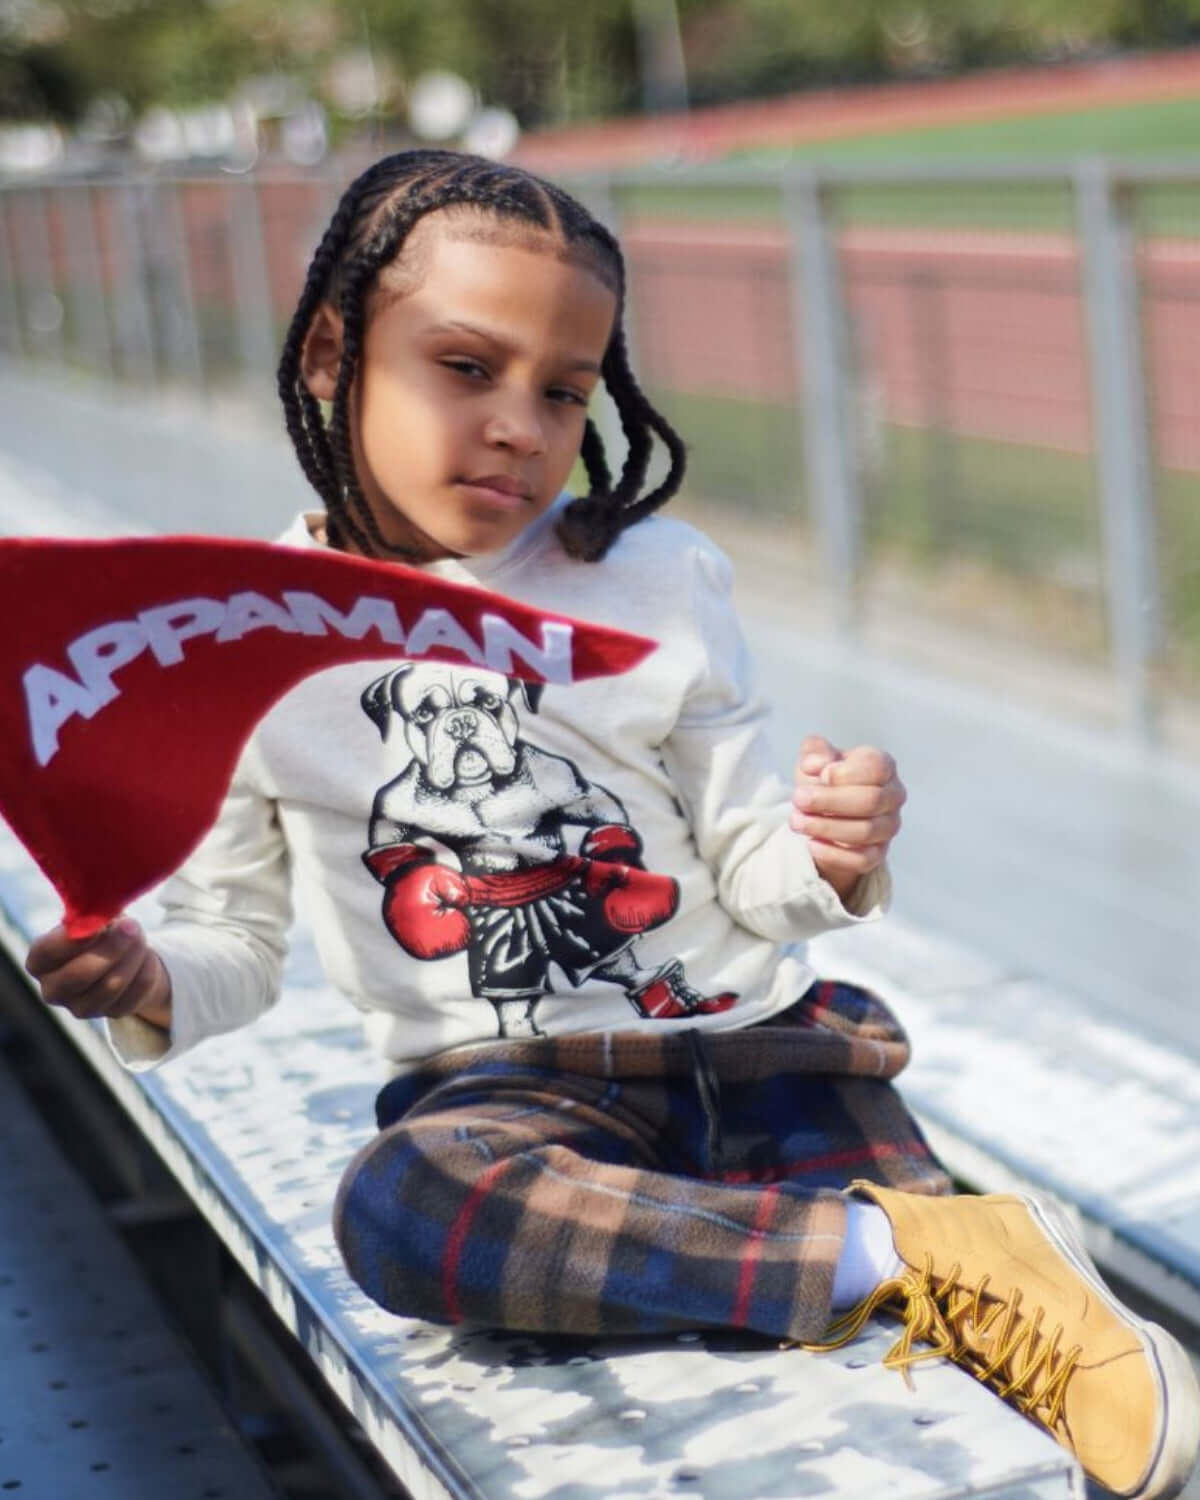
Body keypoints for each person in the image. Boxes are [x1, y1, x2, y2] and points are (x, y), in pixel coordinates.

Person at [23, 150, 1199, 1499]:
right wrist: (152, 981)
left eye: (566, 390)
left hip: (763, 1055)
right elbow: (235, 937)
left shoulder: (654, 576)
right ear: (333, 355)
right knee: (400, 1207)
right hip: (509, 1098)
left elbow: (751, 868)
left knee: (1070, 1425)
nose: (523, 424)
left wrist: (827, 850)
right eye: (466, 368)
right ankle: (894, 1253)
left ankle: (919, 1259)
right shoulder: (247, 640)